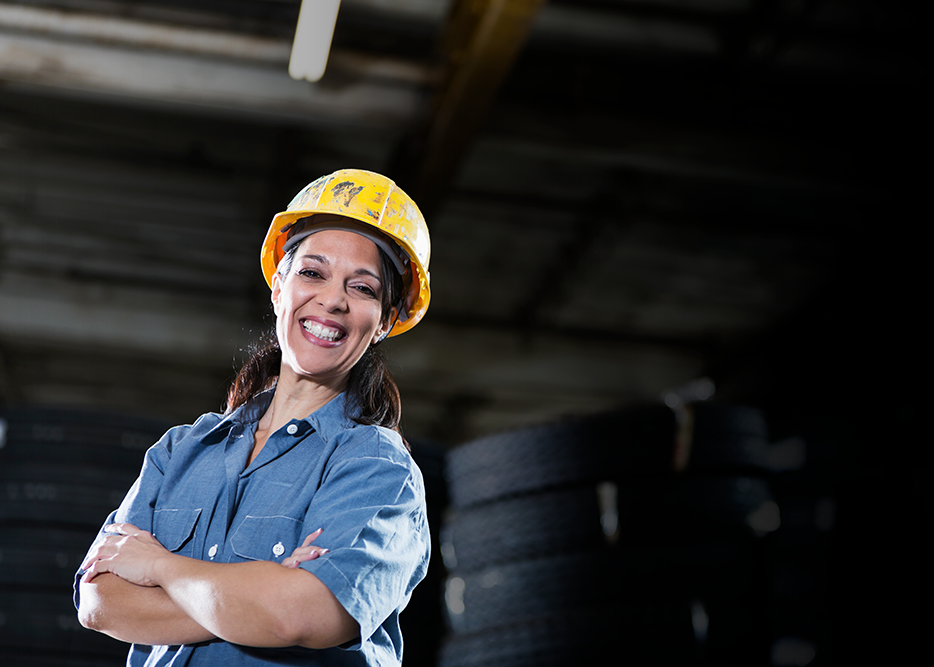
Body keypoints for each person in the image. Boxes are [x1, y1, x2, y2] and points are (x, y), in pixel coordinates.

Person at [74, 168, 433, 666]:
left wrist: (159, 567)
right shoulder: (181, 451)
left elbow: (301, 616)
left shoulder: (378, 469)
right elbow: (99, 602)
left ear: (385, 321)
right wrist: (261, 594)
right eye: (313, 273)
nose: (333, 300)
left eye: (363, 288)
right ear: (278, 287)